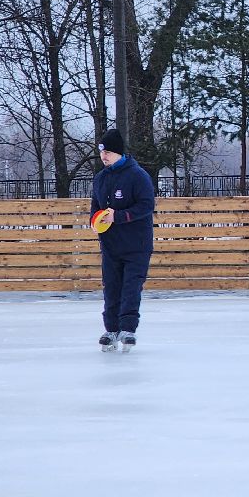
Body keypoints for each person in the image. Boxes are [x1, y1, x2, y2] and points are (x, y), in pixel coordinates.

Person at [90, 127, 156, 351]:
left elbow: (147, 205)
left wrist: (118, 216)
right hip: (111, 245)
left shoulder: (137, 176)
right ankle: (111, 329)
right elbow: (96, 208)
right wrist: (95, 222)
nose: (103, 156)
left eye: (108, 152)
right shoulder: (100, 179)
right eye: (101, 152)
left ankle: (128, 329)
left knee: (130, 287)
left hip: (136, 245)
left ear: (119, 153)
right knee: (111, 287)